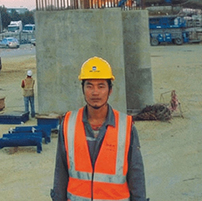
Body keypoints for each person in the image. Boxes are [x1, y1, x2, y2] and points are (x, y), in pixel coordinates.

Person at [51, 56, 147, 201]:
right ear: (83, 89)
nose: (95, 92)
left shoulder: (125, 126)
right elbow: (61, 171)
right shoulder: (68, 123)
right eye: (89, 86)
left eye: (101, 86)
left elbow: (136, 174)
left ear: (110, 90)